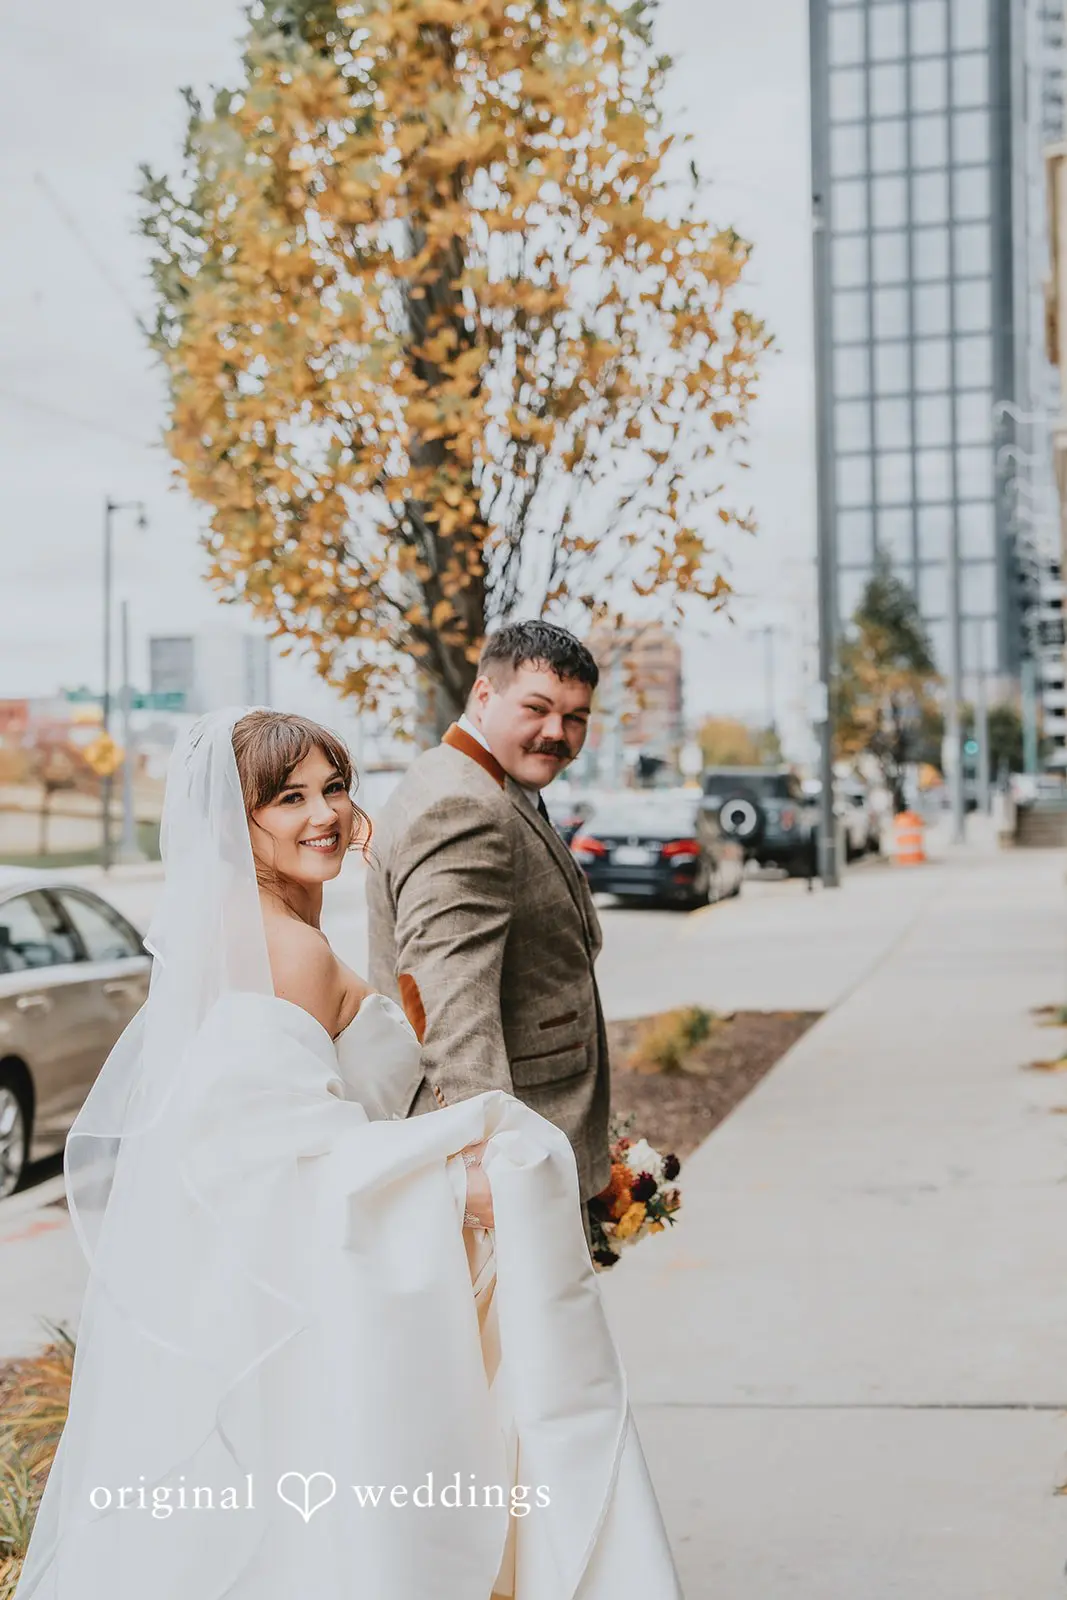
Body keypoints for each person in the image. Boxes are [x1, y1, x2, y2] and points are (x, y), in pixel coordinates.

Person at [13, 708, 682, 1600]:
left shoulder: (266, 932)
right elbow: (275, 1159)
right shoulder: (284, 955)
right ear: (233, 824)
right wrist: (461, 1186)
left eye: (333, 787)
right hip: (320, 1302)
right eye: (286, 798)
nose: (323, 813)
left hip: (305, 1286)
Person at [367, 622, 612, 1225]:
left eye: (575, 717)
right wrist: (489, 1168)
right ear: (483, 695)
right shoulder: (463, 807)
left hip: (545, 1130)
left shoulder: (474, 779)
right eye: (537, 708)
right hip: (511, 1171)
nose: (557, 732)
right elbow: (448, 1005)